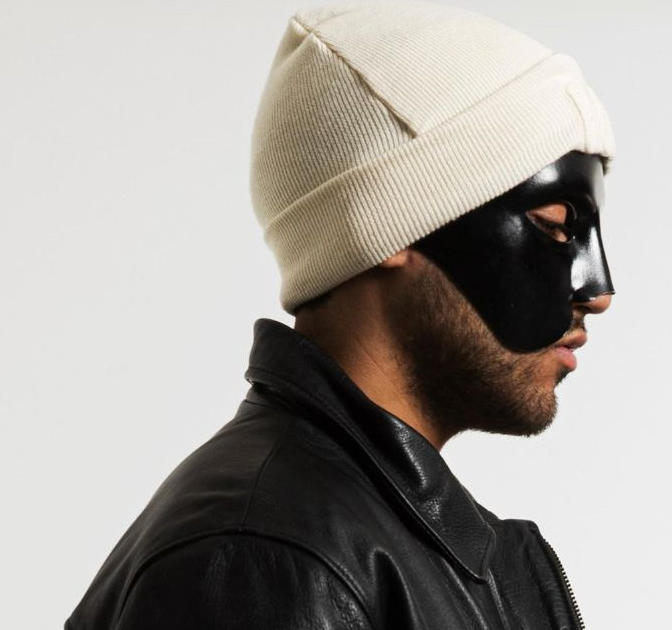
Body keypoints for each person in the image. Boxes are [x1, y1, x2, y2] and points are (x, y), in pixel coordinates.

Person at [65, 1, 618, 628]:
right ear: (394, 222)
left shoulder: (392, 545)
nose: (597, 291)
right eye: (555, 227)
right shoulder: (270, 560)